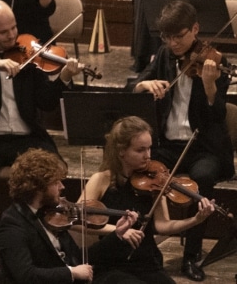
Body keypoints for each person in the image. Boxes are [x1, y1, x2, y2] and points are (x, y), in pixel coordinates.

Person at [0, 0, 81, 218]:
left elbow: (45, 102)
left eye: (13, 28)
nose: (11, 36)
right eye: (2, 32)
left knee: (51, 169)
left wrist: (64, 77)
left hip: (26, 138)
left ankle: (45, 225)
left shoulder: (28, 50)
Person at [132, 0, 232, 277]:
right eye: (168, 37)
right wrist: (145, 84)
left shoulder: (215, 61)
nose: (173, 43)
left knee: (203, 179)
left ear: (195, 29)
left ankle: (191, 256)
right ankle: (142, 246)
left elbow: (217, 116)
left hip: (203, 147)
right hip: (166, 145)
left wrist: (210, 86)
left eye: (179, 36)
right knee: (135, 166)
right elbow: (133, 84)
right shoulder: (164, 55)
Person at [84, 116, 214, 283]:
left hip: (145, 261)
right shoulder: (101, 180)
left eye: (149, 149)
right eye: (140, 150)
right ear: (121, 151)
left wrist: (195, 220)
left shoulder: (154, 182)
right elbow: (78, 219)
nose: (148, 156)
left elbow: (162, 225)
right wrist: (118, 232)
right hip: (111, 262)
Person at [0, 148, 143, 284]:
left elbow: (78, 257)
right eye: (56, 182)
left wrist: (117, 234)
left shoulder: (52, 213)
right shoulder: (13, 225)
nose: (62, 186)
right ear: (38, 187)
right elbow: (25, 276)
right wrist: (71, 272)